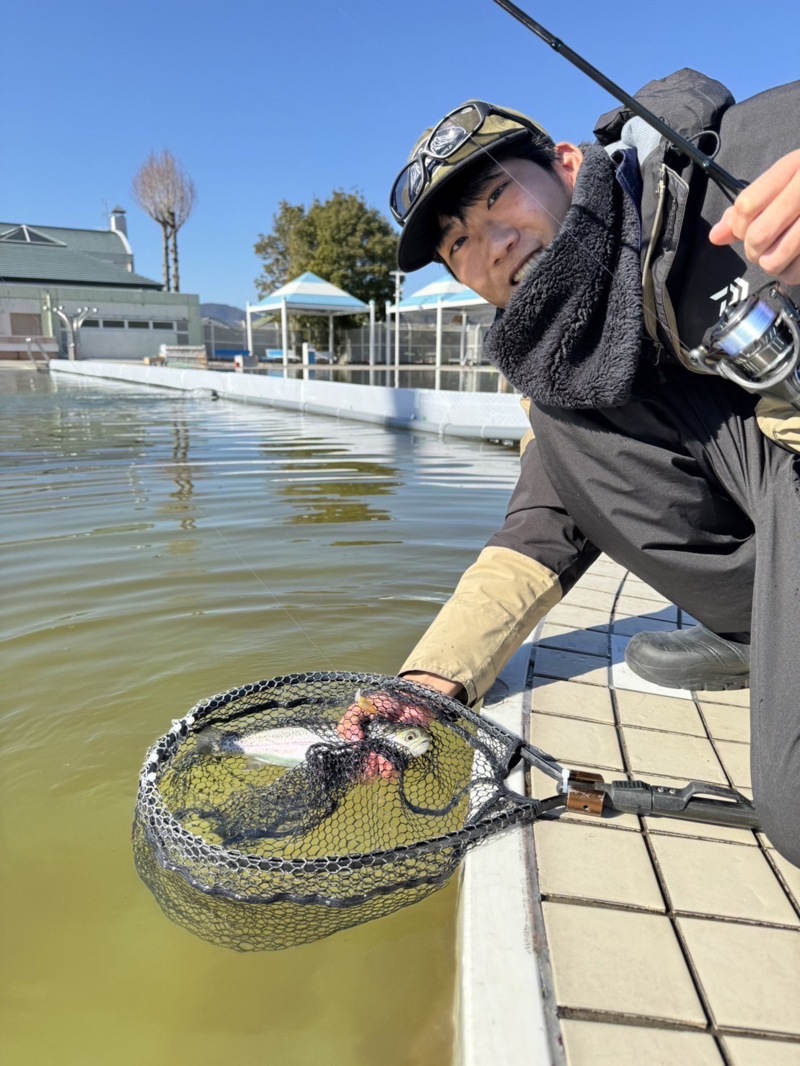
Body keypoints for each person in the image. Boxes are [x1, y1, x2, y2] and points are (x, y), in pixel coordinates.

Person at [387, 70, 800, 866]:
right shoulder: (563, 368)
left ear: (569, 166)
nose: (492, 246)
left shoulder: (737, 157)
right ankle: (765, 629)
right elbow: (540, 529)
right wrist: (430, 680)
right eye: (458, 244)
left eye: (496, 201)